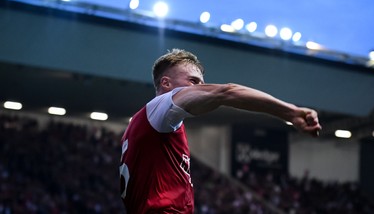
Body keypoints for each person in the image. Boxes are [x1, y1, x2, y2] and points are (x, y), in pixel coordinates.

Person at [119, 48, 321, 213]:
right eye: (193, 81)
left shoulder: (144, 125)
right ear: (166, 83)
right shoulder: (161, 107)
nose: (201, 88)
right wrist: (291, 113)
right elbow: (227, 92)